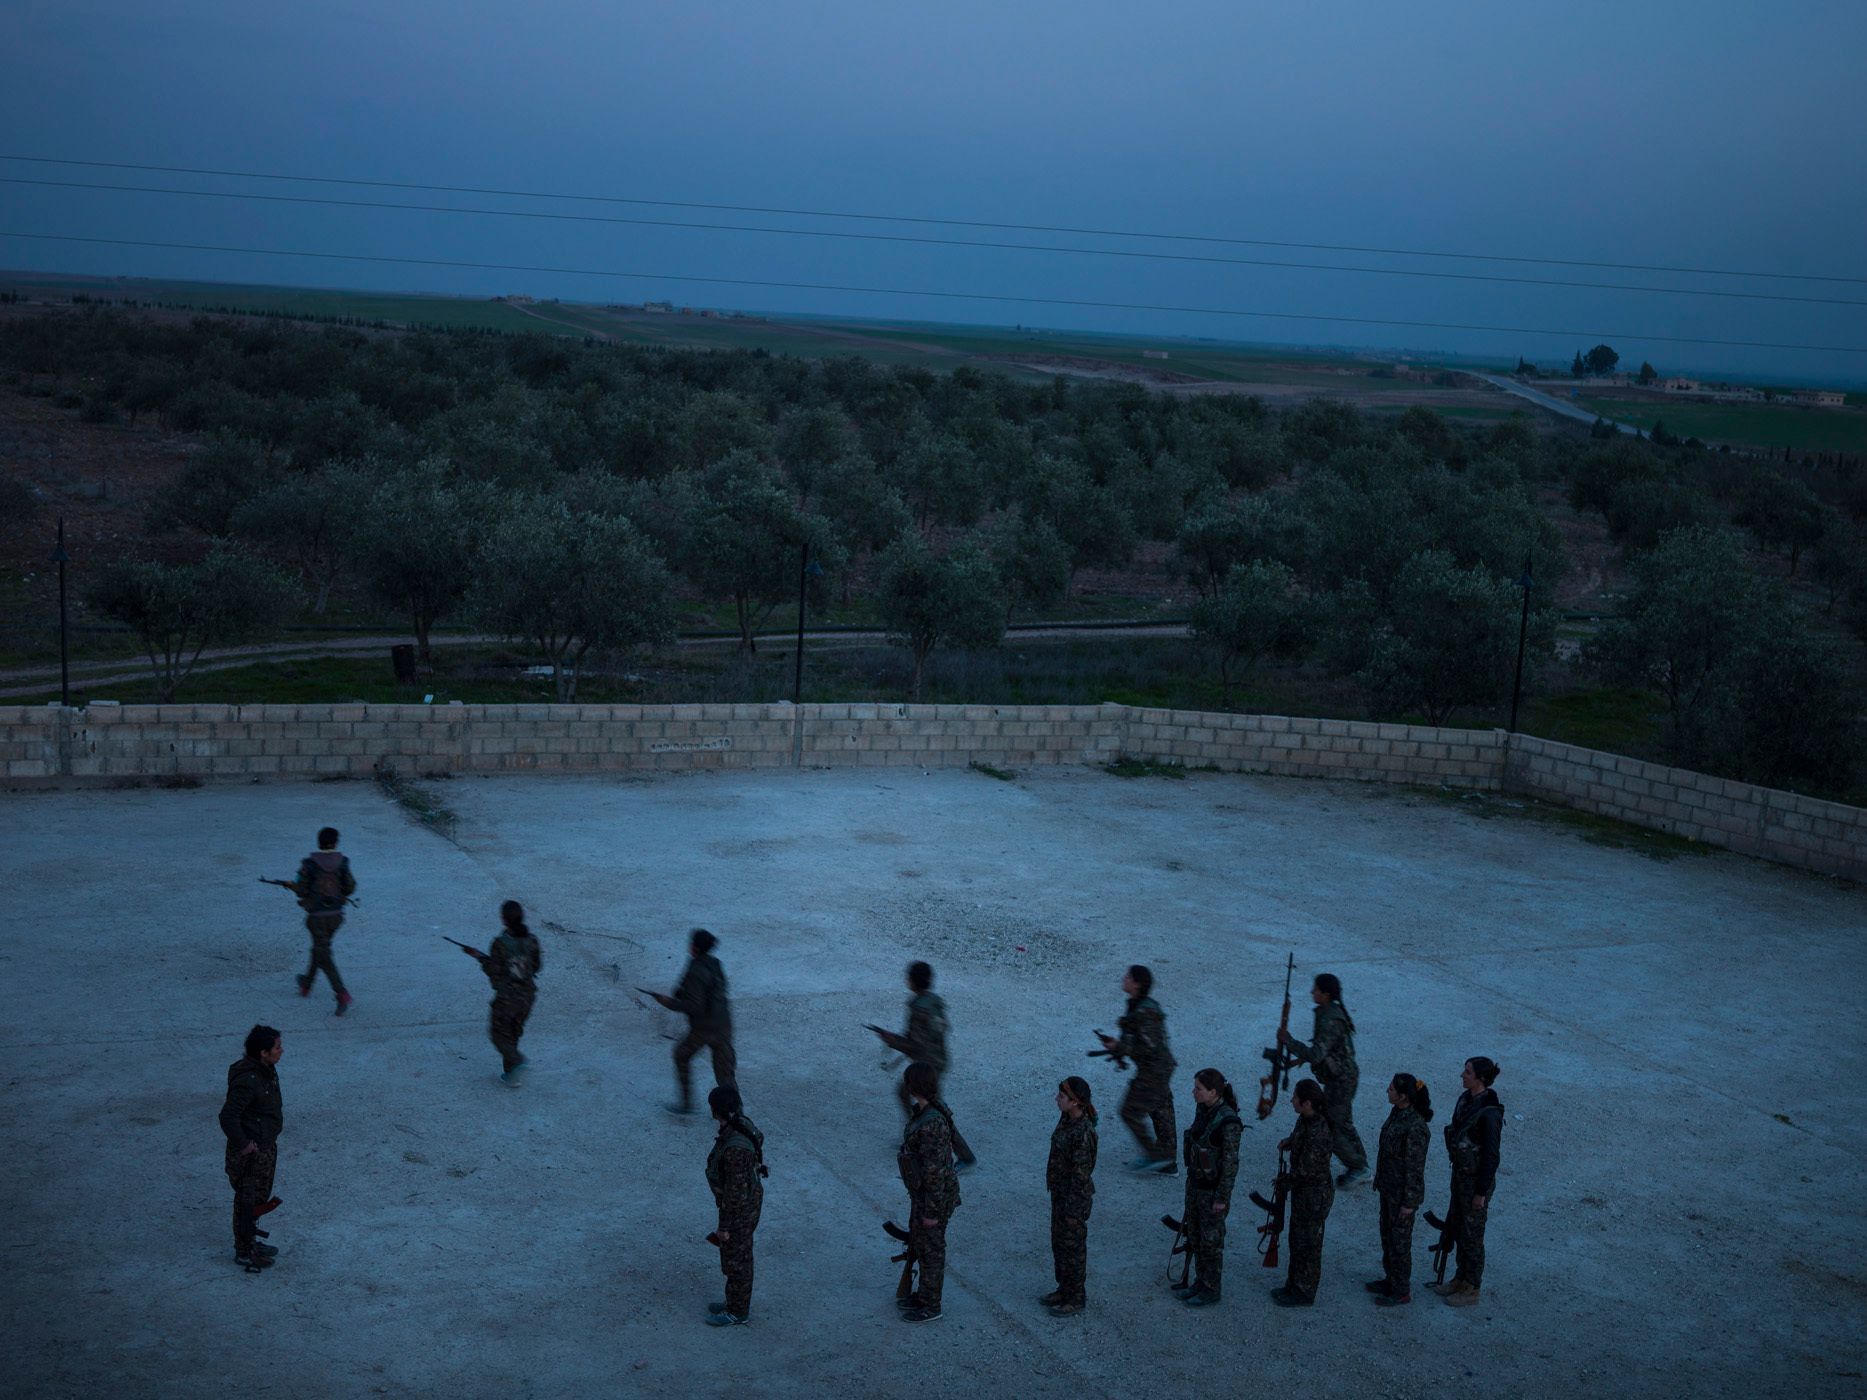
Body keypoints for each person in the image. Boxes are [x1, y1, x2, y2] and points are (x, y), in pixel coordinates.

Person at [876, 963, 976, 1167]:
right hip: (937, 1060)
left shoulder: (918, 1009)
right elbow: (941, 1029)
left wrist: (890, 1040)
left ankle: (965, 1156)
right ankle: (917, 1134)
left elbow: (914, 1045)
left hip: (927, 1067)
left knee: (936, 1109)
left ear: (912, 981)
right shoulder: (934, 1001)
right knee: (905, 1093)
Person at [1278, 972, 1368, 1185]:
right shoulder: (1329, 1013)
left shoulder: (1330, 1019)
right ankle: (1361, 1164)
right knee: (1343, 1121)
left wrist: (1289, 1041)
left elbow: (1318, 1053)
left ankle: (1358, 1166)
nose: (1312, 992)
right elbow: (1326, 1050)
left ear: (1326, 994)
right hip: (1340, 1076)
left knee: (1333, 1125)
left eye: (1316, 989)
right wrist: (1299, 1058)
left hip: (1340, 1080)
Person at [1436, 1057, 1504, 1308]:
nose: (1462, 1075)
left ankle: (1472, 1286)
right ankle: (1460, 1278)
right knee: (1459, 1228)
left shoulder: (1489, 1114)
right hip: (1461, 1177)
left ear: (1480, 1079)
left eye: (1467, 1072)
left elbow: (1491, 1156)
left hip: (1475, 1184)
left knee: (1473, 1235)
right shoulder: (1466, 1100)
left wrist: (1481, 1192)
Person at [897, 1061, 961, 1324]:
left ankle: (931, 1305)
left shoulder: (931, 1124)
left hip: (932, 1198)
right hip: (922, 1194)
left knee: (932, 1250)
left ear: (913, 1088)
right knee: (922, 1246)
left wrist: (932, 1212)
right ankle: (923, 1295)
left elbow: (936, 1173)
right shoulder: (927, 1112)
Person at [1098, 965, 1178, 1173]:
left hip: (1155, 1071)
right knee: (1159, 1111)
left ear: (1137, 984)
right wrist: (1118, 1047)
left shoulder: (1145, 1011)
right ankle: (1165, 1160)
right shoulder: (1137, 1006)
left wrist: (1119, 1047)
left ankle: (1157, 1157)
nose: (1123, 979)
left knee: (1130, 1111)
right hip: (1155, 1069)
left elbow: (1149, 1047)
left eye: (1128, 977)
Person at [218, 1025, 285, 1273]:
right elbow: (228, 1116)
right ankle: (244, 1251)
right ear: (263, 1053)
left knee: (257, 1198)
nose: (281, 1051)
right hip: (251, 1153)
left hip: (265, 1146)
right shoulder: (249, 1079)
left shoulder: (265, 1070)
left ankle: (250, 1241)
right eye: (277, 1047)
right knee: (247, 1201)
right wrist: (244, 1145)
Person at [1176, 1067, 1243, 1307]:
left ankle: (1211, 1288)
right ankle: (1200, 1282)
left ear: (1213, 1092)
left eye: (1198, 1088)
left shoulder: (1228, 1122)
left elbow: (1230, 1164)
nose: (1193, 1092)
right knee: (1195, 1235)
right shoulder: (1203, 1110)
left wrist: (1222, 1198)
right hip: (1196, 1185)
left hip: (1212, 1191)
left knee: (1211, 1242)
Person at [703, 1085, 767, 1327]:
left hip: (740, 1209)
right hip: (748, 1202)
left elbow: (734, 1194)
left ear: (714, 1111)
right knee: (737, 1256)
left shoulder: (735, 1150)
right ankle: (734, 1302)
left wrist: (724, 1227)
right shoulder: (741, 1124)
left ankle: (737, 1312)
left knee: (737, 1260)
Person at [654, 929, 736, 1115]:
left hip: (704, 1028)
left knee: (681, 1055)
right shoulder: (715, 964)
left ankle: (686, 1104)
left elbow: (694, 1006)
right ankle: (736, 1113)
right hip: (724, 1025)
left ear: (694, 947)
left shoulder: (695, 970)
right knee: (725, 1073)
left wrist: (667, 1002)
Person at [1369, 1073, 1433, 1306]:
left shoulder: (1415, 1127)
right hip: (1389, 1188)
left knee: (1400, 1242)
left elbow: (1415, 1168)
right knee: (1388, 1236)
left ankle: (1401, 1289)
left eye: (1392, 1089)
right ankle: (1391, 1280)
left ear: (1404, 1096)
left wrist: (1409, 1202)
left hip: (1401, 1195)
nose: (1388, 1091)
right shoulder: (1398, 1113)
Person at [1272, 1078, 1335, 1307]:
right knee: (1297, 1240)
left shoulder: (1319, 1132)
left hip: (1313, 1196)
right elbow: (1300, 1139)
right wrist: (1290, 1141)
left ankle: (1304, 1292)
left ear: (1306, 1103)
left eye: (1295, 1098)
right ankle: (1293, 1285)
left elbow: (1307, 1171)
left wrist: (1284, 1182)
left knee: (1308, 1245)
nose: (1292, 1101)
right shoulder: (1306, 1119)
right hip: (1304, 1194)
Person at [1041, 1075, 1098, 1316]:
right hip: (1060, 1194)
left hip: (1073, 1199)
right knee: (1059, 1244)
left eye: (1062, 1097)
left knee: (1073, 1248)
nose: (1057, 1099)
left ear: (1075, 1102)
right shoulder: (1067, 1119)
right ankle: (1064, 1288)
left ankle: (1076, 1296)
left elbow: (1081, 1175)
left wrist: (1074, 1211)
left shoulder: (1083, 1132)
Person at [291, 827, 356, 1016]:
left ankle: (340, 992)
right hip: (336, 916)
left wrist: (292, 885)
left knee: (323, 953)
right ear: (335, 843)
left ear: (318, 843)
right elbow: (350, 887)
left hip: (317, 917)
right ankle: (306, 983)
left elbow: (301, 890)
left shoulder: (309, 864)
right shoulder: (343, 862)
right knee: (320, 949)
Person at [481, 901, 542, 1082]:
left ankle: (516, 1061)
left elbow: (494, 972)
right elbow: (536, 966)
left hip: (508, 998)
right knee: (513, 1033)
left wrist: (483, 960)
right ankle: (511, 1075)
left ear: (503, 920)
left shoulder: (499, 944)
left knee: (498, 1034)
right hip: (528, 996)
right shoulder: (532, 940)